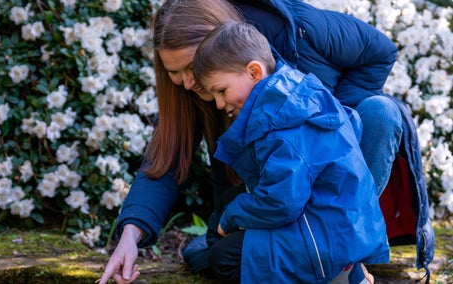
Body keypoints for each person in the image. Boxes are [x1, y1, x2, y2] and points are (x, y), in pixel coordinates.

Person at [99, 0, 434, 283]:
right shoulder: (196, 90)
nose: (187, 82)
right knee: (217, 256)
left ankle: (347, 253)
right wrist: (131, 234)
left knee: (381, 112)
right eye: (174, 73)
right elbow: (167, 159)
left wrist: (334, 127)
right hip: (263, 189)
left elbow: (379, 51)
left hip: (331, 186)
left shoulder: (298, 27)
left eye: (191, 67)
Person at [188, 20, 389, 283]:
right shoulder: (296, 95)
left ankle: (342, 274)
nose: (219, 104)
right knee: (226, 212)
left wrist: (233, 217)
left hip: (323, 239)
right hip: (333, 221)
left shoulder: (284, 124)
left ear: (254, 72)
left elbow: (281, 203)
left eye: (221, 91)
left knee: (223, 260)